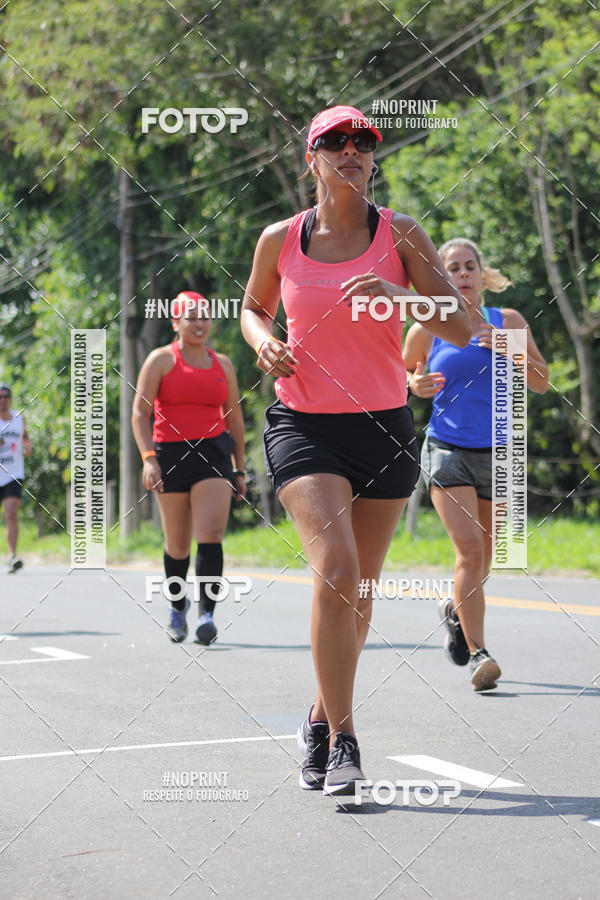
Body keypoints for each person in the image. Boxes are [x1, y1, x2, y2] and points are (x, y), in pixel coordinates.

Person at [240, 105, 471, 797]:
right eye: (335, 142)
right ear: (311, 158)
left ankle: (318, 714)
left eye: (363, 142)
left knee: (360, 591)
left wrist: (406, 295)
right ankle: (344, 741)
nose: (351, 151)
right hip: (304, 424)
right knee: (337, 569)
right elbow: (253, 308)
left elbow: (461, 325)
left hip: (385, 427)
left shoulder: (400, 233)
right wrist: (262, 342)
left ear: (373, 158)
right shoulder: (280, 239)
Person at [404, 238, 549, 691]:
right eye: (453, 267)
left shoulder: (508, 322)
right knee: (468, 550)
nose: (463, 273)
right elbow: (403, 379)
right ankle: (480, 655)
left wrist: (511, 349)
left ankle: (453, 611)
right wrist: (416, 384)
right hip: (447, 450)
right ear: (442, 277)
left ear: (481, 274)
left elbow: (542, 382)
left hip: (500, 451)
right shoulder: (426, 327)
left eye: (470, 266)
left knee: (484, 558)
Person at [132, 292, 246, 645]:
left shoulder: (223, 364)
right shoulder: (161, 361)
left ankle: (206, 615)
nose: (199, 323)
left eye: (204, 317)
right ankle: (177, 607)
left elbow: (235, 418)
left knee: (210, 532)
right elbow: (140, 413)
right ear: (176, 323)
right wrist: (148, 458)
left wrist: (239, 469)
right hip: (170, 455)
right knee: (178, 544)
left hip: (213, 454)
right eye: (191, 317)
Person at [0, 384, 32, 573]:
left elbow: (25, 436)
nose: (3, 399)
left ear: (10, 398)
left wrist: (27, 445)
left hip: (13, 473)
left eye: (6, 396)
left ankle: (12, 555)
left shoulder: (19, 418)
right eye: (0, 397)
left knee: (11, 514)